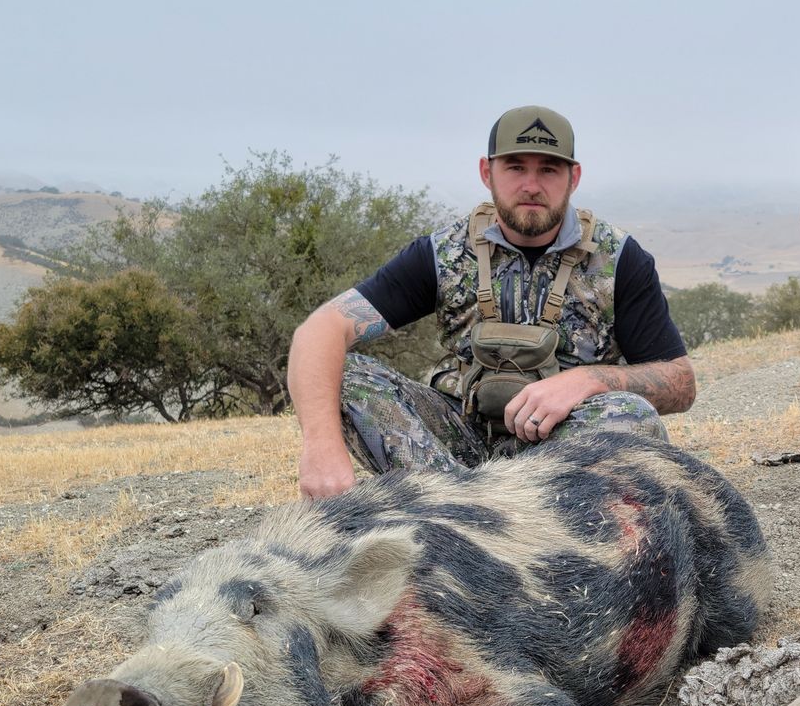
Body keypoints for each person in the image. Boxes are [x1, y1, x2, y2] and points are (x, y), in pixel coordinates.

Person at [289, 105, 696, 498]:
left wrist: (589, 381)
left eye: (549, 170)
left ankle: (474, 518)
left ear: (574, 177)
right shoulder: (441, 253)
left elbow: (680, 383)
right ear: (488, 172)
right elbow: (322, 328)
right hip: (452, 452)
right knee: (347, 377)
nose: (531, 185)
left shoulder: (620, 259)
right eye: (515, 167)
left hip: (565, 454)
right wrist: (321, 448)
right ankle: (462, 512)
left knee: (632, 416)